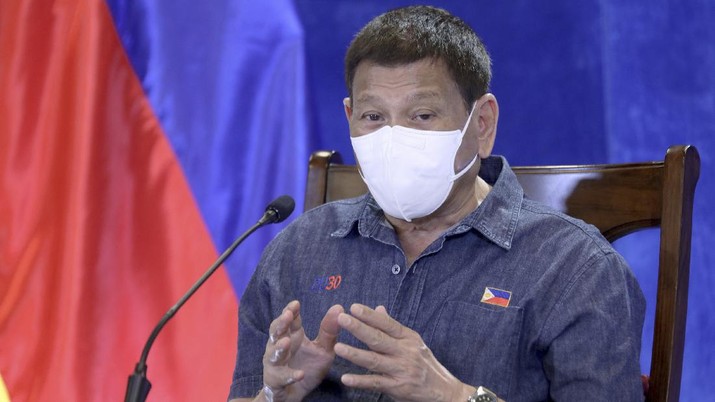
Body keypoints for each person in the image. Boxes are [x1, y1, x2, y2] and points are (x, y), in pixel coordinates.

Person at [228, 5, 645, 402]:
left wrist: (456, 395)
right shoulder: (299, 248)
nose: (393, 138)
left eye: (422, 115)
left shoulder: (575, 267)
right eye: (373, 117)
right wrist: (275, 394)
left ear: (481, 124)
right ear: (350, 116)